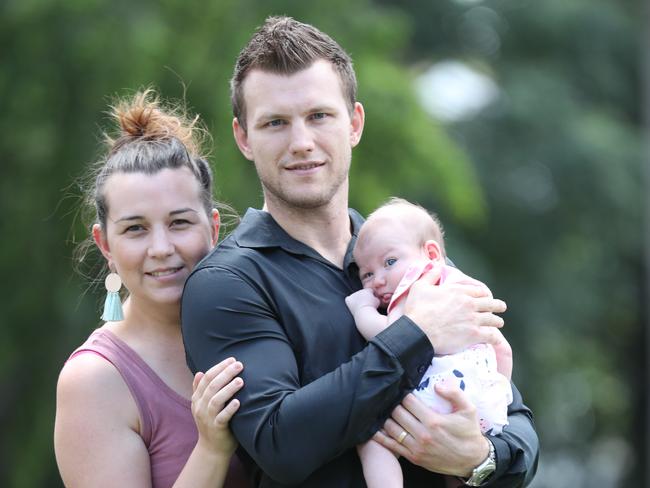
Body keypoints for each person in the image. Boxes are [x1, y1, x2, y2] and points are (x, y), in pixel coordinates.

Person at [182, 16, 539, 487]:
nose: (301, 142)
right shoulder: (226, 283)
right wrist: (417, 333)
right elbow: (280, 444)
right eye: (275, 123)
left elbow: (516, 418)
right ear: (244, 138)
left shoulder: (405, 253)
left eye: (319, 116)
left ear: (354, 123)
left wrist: (480, 457)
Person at [54, 89, 248, 488]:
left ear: (212, 229)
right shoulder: (95, 381)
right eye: (135, 229)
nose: (161, 249)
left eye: (179, 223)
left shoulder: (253, 321)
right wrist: (211, 449)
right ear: (105, 244)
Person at [346, 198, 514, 488]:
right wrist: (499, 395)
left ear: (431, 253)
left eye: (389, 262)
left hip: (435, 394)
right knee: (451, 464)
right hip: (482, 406)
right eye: (367, 274)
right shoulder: (463, 285)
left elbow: (388, 334)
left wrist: (362, 309)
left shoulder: (417, 286)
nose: (378, 281)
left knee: (372, 439)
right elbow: (503, 349)